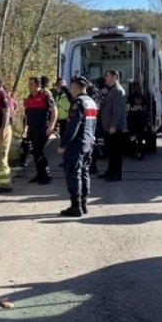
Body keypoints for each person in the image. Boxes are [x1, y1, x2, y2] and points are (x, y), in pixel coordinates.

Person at [57, 75, 97, 217]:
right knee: (84, 172)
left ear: (75, 87)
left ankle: (76, 206)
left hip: (76, 143)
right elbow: (93, 124)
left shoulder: (78, 102)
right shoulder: (91, 101)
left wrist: (64, 143)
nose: (70, 90)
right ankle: (83, 204)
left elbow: (73, 126)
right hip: (88, 142)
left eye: (71, 87)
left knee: (73, 174)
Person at [22, 76, 57, 184]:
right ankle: (40, 175)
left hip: (42, 129)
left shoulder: (45, 96)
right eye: (29, 84)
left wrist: (51, 127)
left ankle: (47, 176)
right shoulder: (29, 98)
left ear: (38, 85)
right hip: (32, 128)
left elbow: (54, 111)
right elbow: (27, 115)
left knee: (38, 151)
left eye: (31, 84)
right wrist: (25, 128)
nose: (29, 86)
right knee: (34, 152)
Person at [99, 70, 127, 181]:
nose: (105, 78)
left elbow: (117, 110)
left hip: (113, 127)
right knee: (110, 151)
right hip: (108, 126)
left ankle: (117, 173)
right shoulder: (111, 89)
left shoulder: (118, 90)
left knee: (116, 151)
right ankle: (110, 171)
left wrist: (113, 125)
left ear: (114, 77)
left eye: (107, 76)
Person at [126, 81, 148, 160]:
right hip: (141, 119)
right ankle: (140, 153)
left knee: (132, 136)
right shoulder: (143, 97)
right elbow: (145, 108)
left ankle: (133, 152)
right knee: (140, 137)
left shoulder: (130, 97)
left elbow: (127, 109)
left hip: (132, 119)